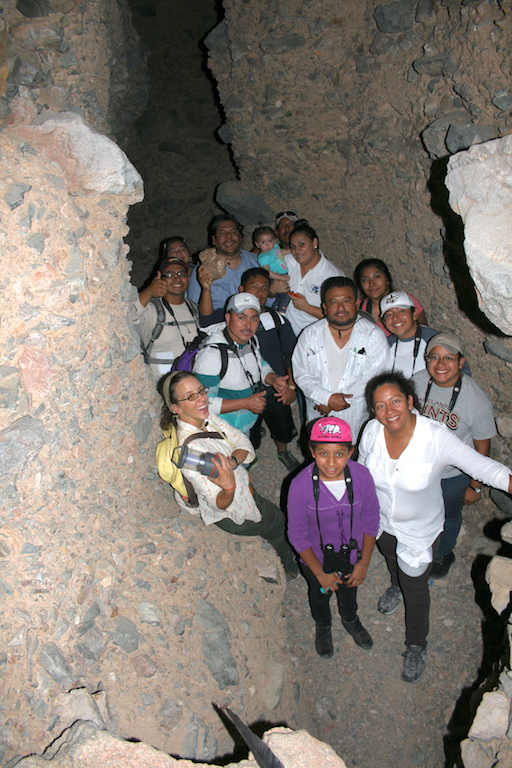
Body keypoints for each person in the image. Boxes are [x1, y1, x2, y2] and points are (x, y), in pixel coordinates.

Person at [358, 371, 512, 683]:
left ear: (410, 401)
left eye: (396, 401)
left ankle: (416, 644)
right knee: (390, 559)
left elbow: (481, 466)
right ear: (373, 411)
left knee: (416, 591)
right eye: (380, 406)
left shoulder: (435, 437)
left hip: (419, 532)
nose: (389, 411)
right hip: (382, 524)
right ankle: (395, 584)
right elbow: (362, 471)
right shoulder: (372, 431)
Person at [156, 370, 297, 577]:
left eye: (201, 391)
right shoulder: (194, 456)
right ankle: (289, 568)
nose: (202, 399)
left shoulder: (205, 417)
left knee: (272, 518)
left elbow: (244, 444)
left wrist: (231, 463)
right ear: (175, 407)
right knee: (277, 523)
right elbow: (218, 503)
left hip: (243, 491)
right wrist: (230, 486)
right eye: (191, 397)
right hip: (234, 510)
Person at [287, 417, 379, 658]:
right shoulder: (299, 486)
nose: (331, 462)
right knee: (319, 594)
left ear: (350, 452)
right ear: (311, 452)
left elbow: (371, 521)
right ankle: (323, 625)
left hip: (352, 556)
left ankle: (350, 619)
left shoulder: (362, 477)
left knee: (349, 593)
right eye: (323, 453)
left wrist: (363, 562)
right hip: (315, 559)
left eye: (339, 454)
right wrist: (318, 572)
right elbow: (296, 535)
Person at [412, 332, 497, 578]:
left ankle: (444, 552)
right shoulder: (416, 382)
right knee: (419, 511)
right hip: (419, 468)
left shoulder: (475, 399)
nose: (440, 365)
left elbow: (482, 446)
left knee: (449, 515)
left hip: (453, 475)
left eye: (448, 358)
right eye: (434, 357)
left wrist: (476, 486)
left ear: (461, 362)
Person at [292, 276, 390, 440]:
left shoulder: (373, 336)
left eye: (346, 301)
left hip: (356, 418)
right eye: (333, 302)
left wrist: (333, 402)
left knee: (354, 457)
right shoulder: (310, 335)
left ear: (356, 303)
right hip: (318, 412)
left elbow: (373, 379)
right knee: (320, 457)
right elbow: (301, 373)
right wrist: (326, 398)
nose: (340, 308)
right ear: (324, 307)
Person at [193, 292, 288, 435]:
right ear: (228, 318)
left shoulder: (251, 341)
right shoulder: (211, 356)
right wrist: (246, 403)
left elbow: (259, 364)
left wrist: (273, 379)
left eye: (254, 319)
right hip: (219, 429)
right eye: (241, 317)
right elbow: (201, 403)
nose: (248, 325)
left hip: (244, 423)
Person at [239, 268, 299, 471]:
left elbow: (291, 355)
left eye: (264, 288)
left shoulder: (277, 320)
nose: (259, 292)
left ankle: (283, 451)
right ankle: (251, 452)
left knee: (282, 427)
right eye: (253, 287)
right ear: (242, 289)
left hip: (277, 390)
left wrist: (291, 386)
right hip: (246, 392)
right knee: (250, 430)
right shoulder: (232, 321)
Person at [129, 255, 199, 378]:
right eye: (170, 275)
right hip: (163, 387)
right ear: (160, 278)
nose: (177, 279)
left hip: (191, 385)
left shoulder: (193, 308)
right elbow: (127, 317)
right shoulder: (152, 309)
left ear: (188, 278)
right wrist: (148, 292)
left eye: (181, 274)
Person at [187, 215, 258, 324]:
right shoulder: (203, 270)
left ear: (241, 238)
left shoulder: (256, 262)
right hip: (217, 327)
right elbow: (193, 308)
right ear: (214, 240)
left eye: (233, 232)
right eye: (222, 233)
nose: (229, 237)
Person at [284, 223, 345, 336]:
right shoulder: (288, 261)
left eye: (301, 244)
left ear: (315, 243)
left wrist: (306, 307)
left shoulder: (331, 275)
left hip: (314, 336)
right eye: (292, 247)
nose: (297, 250)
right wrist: (273, 289)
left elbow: (339, 316)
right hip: (285, 332)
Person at [354, 258, 427, 336]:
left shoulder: (406, 301)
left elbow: (425, 333)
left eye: (377, 277)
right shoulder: (358, 308)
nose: (372, 284)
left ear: (387, 279)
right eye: (365, 280)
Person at [380, 291, 440, 378]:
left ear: (415, 314)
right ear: (384, 322)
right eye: (389, 315)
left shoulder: (435, 341)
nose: (395, 318)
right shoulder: (385, 345)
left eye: (401, 311)